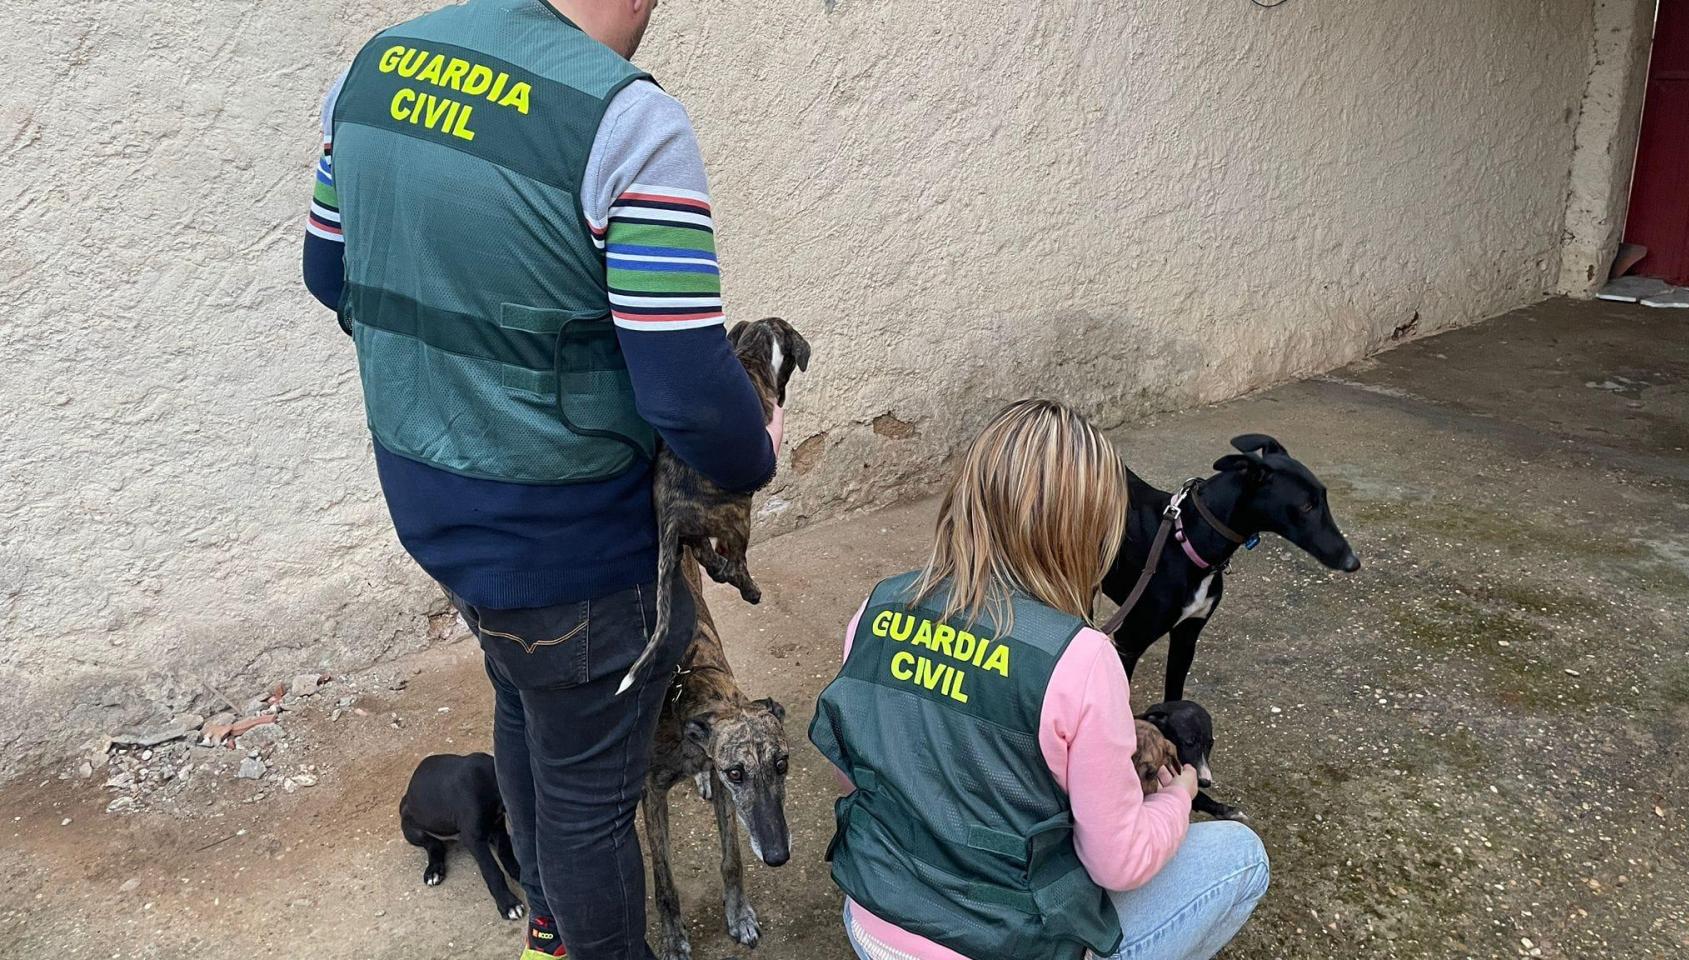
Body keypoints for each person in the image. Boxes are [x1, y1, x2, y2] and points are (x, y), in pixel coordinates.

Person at [300, 1, 779, 957]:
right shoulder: (627, 122)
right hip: (575, 547)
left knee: (528, 693)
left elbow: (329, 273)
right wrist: (758, 439)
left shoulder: (377, 70)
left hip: (435, 510)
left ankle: (549, 935)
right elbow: (688, 392)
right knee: (592, 800)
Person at [810, 399, 1269, 960]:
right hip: (1001, 944)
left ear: (969, 498)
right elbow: (1119, 862)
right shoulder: (1084, 659)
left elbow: (852, 773)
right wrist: (1181, 792)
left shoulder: (874, 610)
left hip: (876, 923)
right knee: (1243, 857)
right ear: (1090, 527)